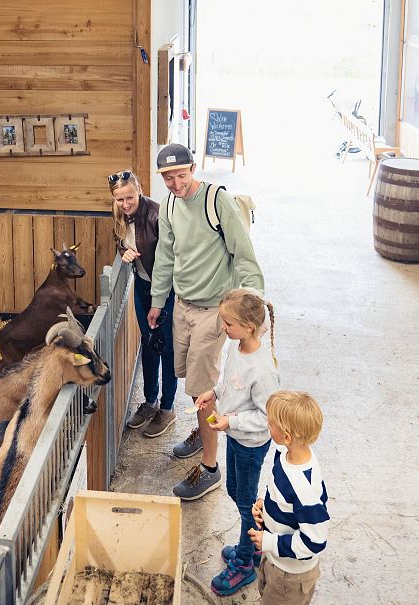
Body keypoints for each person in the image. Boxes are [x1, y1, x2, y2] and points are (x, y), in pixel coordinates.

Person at [148, 143, 265, 501]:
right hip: (183, 305)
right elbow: (165, 256)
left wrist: (254, 309)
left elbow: (244, 254)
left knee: (202, 388)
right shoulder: (168, 204)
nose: (175, 183)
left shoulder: (218, 202)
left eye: (181, 175)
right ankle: (203, 431)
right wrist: (157, 301)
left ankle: (211, 468)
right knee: (190, 378)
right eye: (168, 177)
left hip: (214, 309)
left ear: (193, 168)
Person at [196, 289, 279, 595]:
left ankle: (246, 561)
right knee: (236, 491)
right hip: (234, 436)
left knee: (245, 501)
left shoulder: (262, 368)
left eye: (228, 323)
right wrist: (214, 393)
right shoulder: (237, 347)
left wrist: (232, 421)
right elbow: (230, 379)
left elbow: (267, 418)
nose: (223, 328)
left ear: (250, 327)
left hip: (251, 443)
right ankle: (253, 542)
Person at [109, 170, 178, 437]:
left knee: (167, 347)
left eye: (130, 197)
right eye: (119, 199)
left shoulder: (157, 215)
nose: (126, 204)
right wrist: (122, 251)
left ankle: (168, 407)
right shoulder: (119, 215)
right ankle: (150, 402)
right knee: (148, 344)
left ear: (139, 190)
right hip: (142, 285)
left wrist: (158, 301)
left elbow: (168, 259)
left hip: (164, 289)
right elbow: (122, 242)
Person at [249, 391, 328, 605]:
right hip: (276, 558)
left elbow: (315, 541)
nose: (267, 425)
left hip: (291, 576)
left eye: (271, 423)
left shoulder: (304, 489)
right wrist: (266, 506)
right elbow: (281, 493)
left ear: (287, 437)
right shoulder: (285, 455)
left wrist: (269, 541)